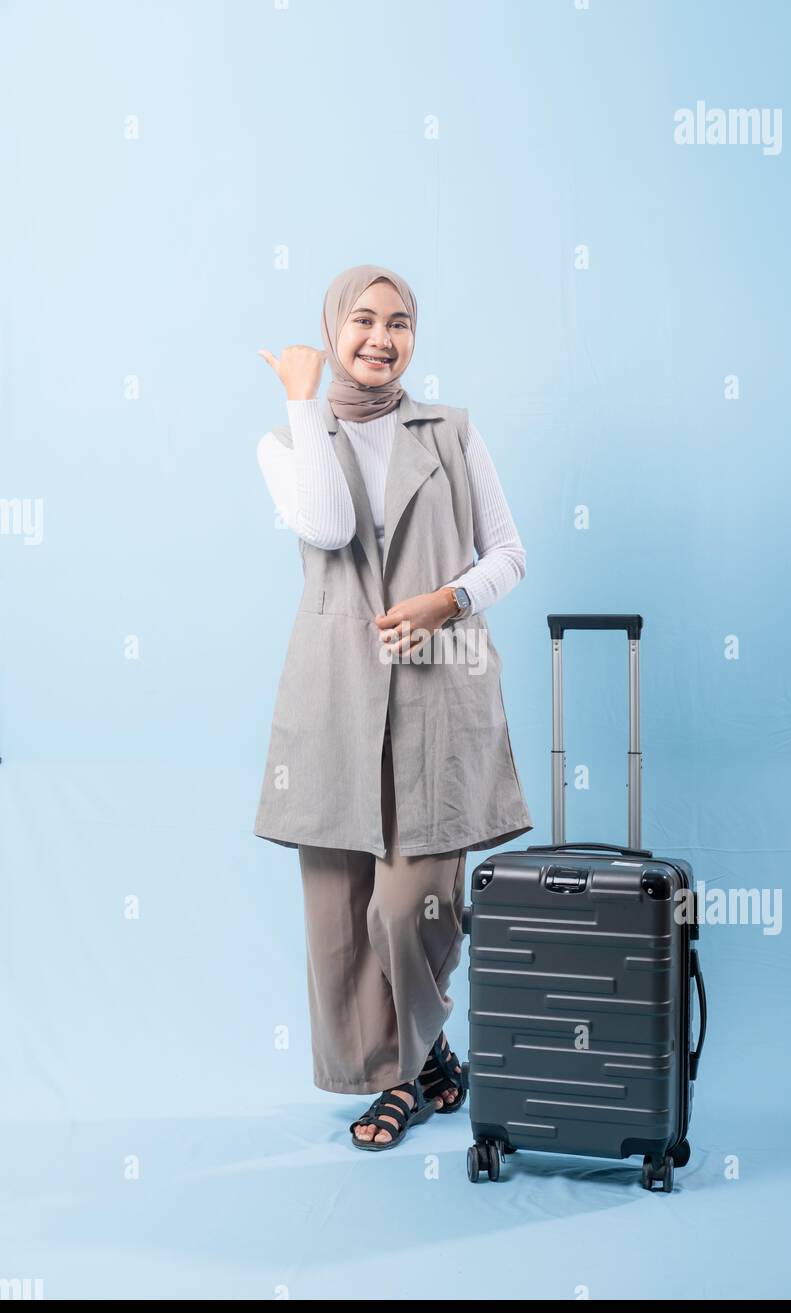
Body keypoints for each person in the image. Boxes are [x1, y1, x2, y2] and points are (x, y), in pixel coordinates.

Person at [254, 264, 532, 1150]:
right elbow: (330, 529)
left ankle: (405, 1076)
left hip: (439, 690)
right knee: (339, 912)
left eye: (400, 323)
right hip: (334, 699)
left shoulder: (451, 431)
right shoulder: (284, 445)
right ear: (333, 329)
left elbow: (510, 555)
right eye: (364, 321)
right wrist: (307, 402)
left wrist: (446, 600)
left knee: (408, 905)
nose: (382, 338)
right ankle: (417, 1069)